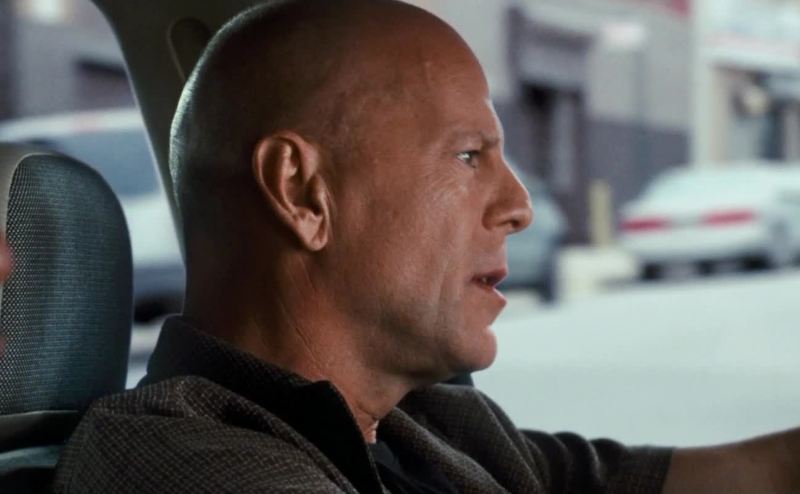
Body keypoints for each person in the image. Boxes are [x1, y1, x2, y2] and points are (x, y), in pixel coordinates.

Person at [52, 1, 800, 492]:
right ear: (303, 193)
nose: (519, 207)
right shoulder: (180, 464)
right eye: (469, 157)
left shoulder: (434, 425)